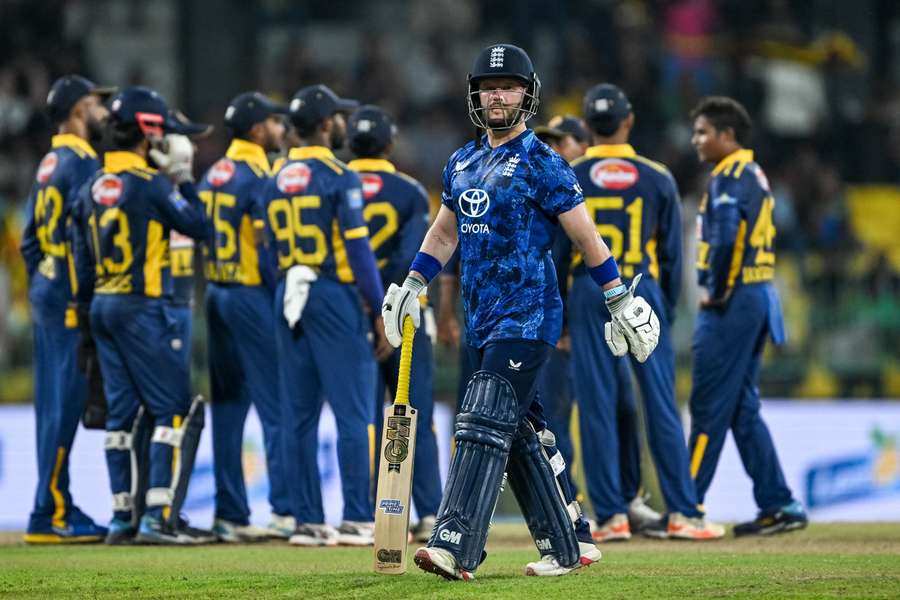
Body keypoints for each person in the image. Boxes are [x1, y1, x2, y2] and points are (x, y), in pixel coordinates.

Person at [382, 43, 660, 580]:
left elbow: (586, 237)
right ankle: (567, 543)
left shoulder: (544, 162)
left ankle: (455, 543)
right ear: (476, 97)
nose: (497, 95)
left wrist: (619, 297)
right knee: (517, 434)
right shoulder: (461, 161)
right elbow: (444, 234)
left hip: (529, 316)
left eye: (508, 86)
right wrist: (411, 282)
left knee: (484, 413)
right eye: (488, 87)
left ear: (527, 95)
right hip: (482, 320)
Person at [558, 83, 724, 541]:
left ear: (588, 126)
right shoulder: (657, 177)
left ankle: (611, 516)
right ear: (628, 121)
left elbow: (554, 251)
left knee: (595, 405)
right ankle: (683, 513)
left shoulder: (567, 173)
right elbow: (672, 256)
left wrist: (562, 316)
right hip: (637, 287)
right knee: (661, 404)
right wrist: (664, 308)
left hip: (587, 289)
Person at [71, 86, 215, 544]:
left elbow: (81, 256)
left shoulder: (89, 185)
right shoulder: (151, 184)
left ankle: (121, 519)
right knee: (171, 409)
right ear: (149, 131)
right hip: (142, 305)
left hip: (102, 305)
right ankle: (156, 517)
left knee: (121, 415)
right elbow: (199, 226)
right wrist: (184, 177)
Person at [263, 84, 391, 547]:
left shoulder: (273, 177)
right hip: (331, 294)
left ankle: (308, 521)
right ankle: (357, 517)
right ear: (324, 124)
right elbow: (358, 250)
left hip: (287, 293)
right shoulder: (340, 175)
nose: (343, 123)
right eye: (337, 116)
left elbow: (266, 251)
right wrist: (378, 309)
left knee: (297, 414)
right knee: (354, 411)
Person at [534, 114, 662, 539]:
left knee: (623, 406)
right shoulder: (548, 185)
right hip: (569, 319)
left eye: (562, 140)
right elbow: (550, 261)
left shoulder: (574, 182)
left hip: (594, 309)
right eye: (549, 141)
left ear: (585, 143)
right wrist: (561, 319)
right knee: (560, 416)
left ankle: (628, 498)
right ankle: (572, 505)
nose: (554, 147)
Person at [688, 96, 808, 536]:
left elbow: (725, 238)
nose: (696, 140)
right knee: (741, 407)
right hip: (758, 294)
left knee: (707, 404)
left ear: (728, 135)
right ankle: (779, 503)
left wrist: (716, 291)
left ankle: (686, 504)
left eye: (703, 132)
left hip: (734, 300)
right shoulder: (751, 173)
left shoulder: (729, 176)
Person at [19, 75, 114, 543]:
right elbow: (85, 240)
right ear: (79, 110)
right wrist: (80, 299)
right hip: (69, 300)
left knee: (50, 403)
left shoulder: (48, 161)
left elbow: (28, 241)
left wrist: (44, 278)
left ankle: (52, 503)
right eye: (97, 103)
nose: (103, 111)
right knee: (65, 402)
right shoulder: (82, 164)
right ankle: (50, 510)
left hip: (46, 290)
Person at [197, 92, 295, 542]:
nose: (281, 130)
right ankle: (285, 509)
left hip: (215, 291)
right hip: (251, 294)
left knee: (229, 406)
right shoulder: (260, 175)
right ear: (258, 130)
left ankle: (230, 512)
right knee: (275, 402)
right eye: (275, 122)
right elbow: (265, 245)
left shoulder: (213, 172)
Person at [346, 105, 443, 541]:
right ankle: (428, 512)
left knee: (364, 418)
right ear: (389, 143)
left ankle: (371, 514)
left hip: (348, 311)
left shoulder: (337, 180)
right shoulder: (407, 191)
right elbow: (412, 260)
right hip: (402, 313)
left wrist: (367, 313)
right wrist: (394, 312)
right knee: (414, 414)